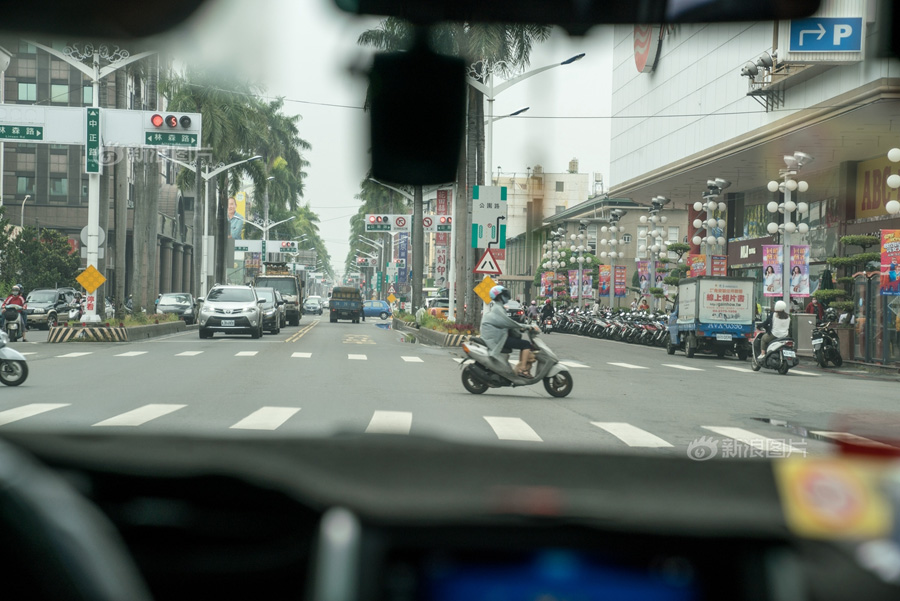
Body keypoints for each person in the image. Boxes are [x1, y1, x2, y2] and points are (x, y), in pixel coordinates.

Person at [481, 285, 536, 378]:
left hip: (499, 338)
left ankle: (521, 369)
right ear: (499, 297)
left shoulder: (498, 307)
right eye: (504, 294)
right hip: (499, 340)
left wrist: (520, 328)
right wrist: (527, 326)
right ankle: (522, 370)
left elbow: (507, 323)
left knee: (522, 343)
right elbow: (508, 323)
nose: (507, 296)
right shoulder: (497, 309)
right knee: (526, 344)